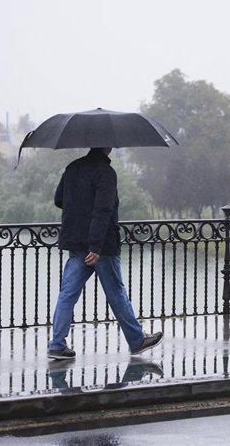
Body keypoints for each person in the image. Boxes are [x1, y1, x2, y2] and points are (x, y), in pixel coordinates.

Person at [48, 147, 163, 359]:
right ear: (107, 146)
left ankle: (56, 345)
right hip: (102, 246)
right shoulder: (106, 173)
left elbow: (59, 199)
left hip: (76, 242)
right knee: (116, 293)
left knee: (67, 294)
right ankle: (137, 340)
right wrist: (95, 246)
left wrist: (79, 208)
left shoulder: (72, 168)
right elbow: (103, 209)